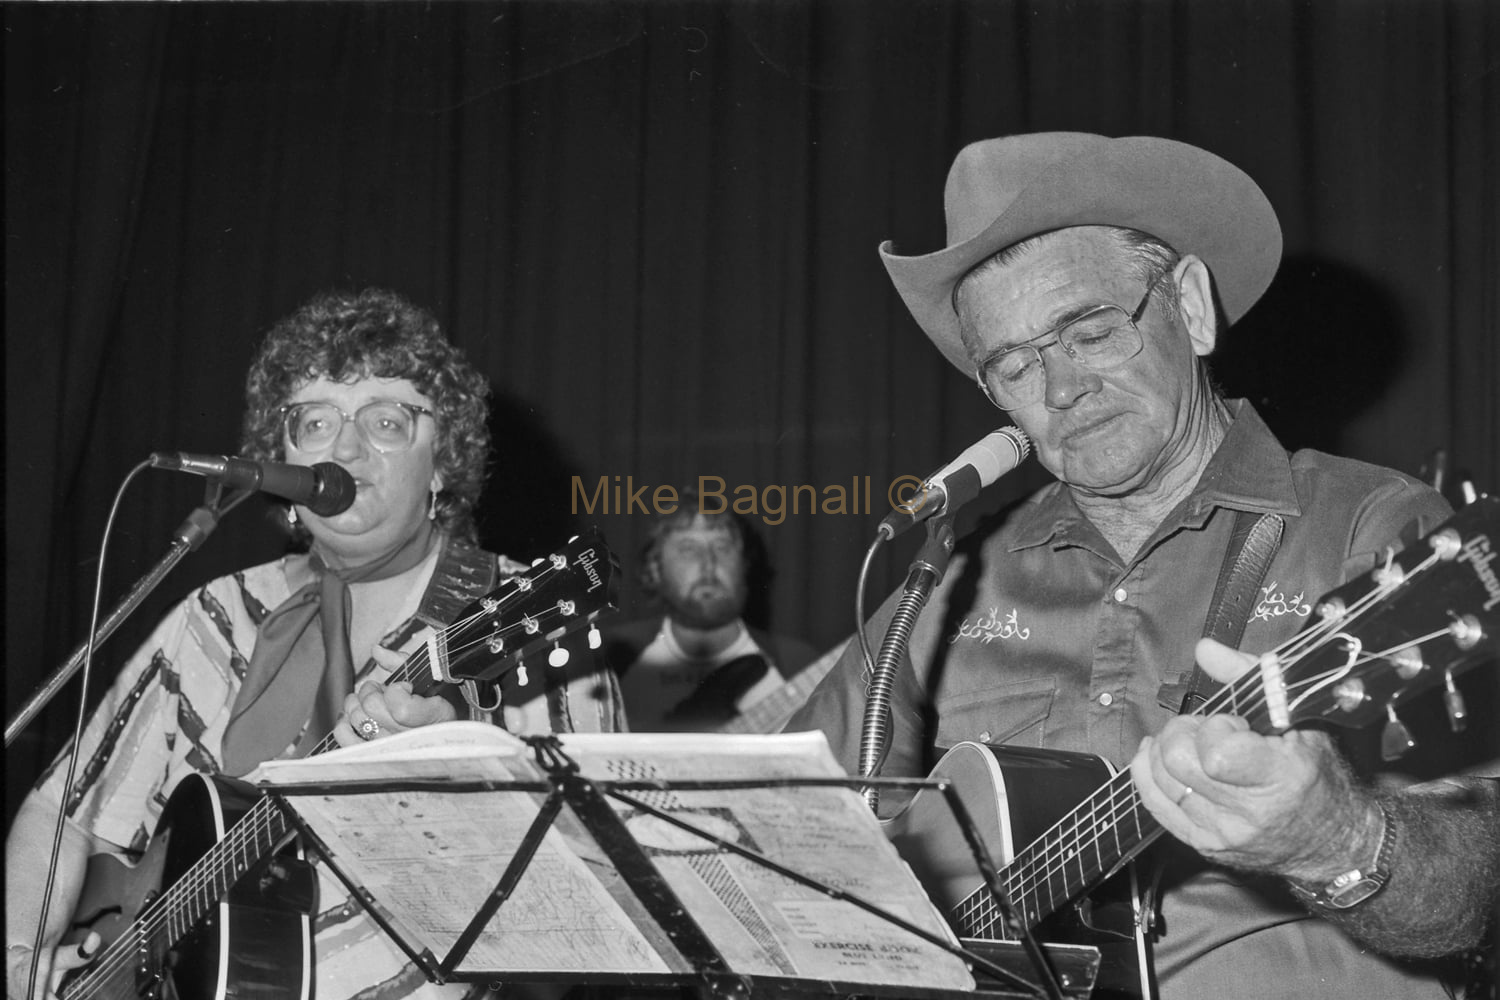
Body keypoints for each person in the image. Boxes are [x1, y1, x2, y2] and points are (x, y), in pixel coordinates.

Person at [788, 133, 1499, 998]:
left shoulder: (1372, 526)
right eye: (1012, 364)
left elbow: (1479, 889)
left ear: (1191, 308)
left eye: (1088, 331)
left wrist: (1338, 840)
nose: (1058, 389)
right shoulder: (947, 586)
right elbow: (774, 821)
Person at [6, 288, 623, 1000]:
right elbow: (59, 808)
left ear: (445, 462)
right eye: (314, 422)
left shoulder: (526, 621)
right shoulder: (220, 615)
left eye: (386, 421)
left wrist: (458, 781)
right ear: (282, 460)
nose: (345, 447)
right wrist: (22, 957)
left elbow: (598, 900)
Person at [604, 491, 818, 732]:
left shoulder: (800, 664)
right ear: (655, 568)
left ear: (744, 564)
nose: (708, 563)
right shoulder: (610, 661)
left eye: (722, 547)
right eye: (688, 549)